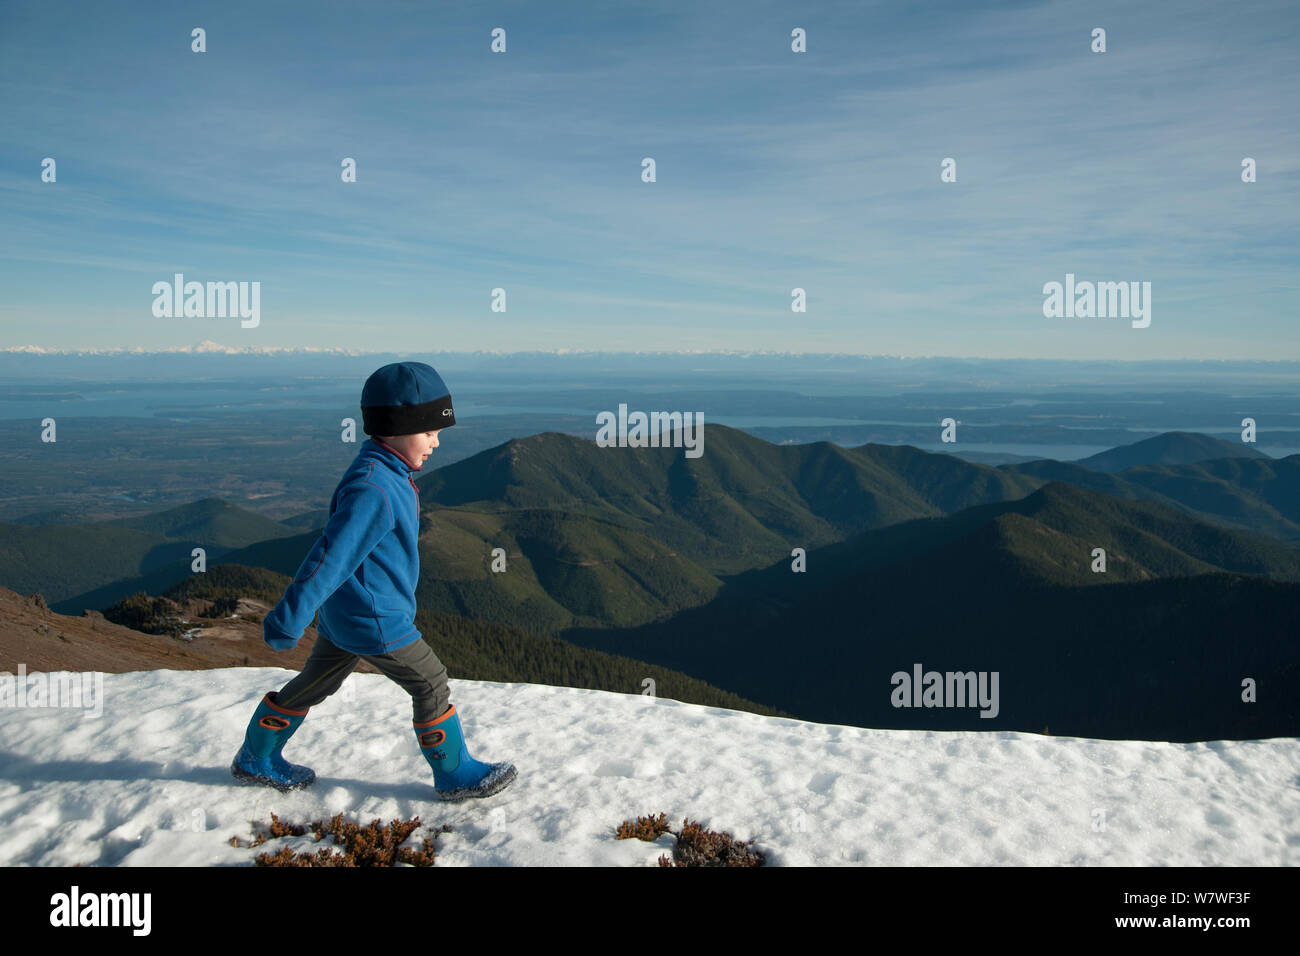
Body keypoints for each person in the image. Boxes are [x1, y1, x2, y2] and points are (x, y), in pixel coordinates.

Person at [229, 361, 516, 801]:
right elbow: (329, 558)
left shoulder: (385, 471)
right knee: (431, 681)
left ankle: (256, 757)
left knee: (315, 682)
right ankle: (455, 775)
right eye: (430, 431)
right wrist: (289, 618)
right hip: (374, 619)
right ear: (397, 427)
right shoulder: (375, 488)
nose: (437, 442)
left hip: (347, 616)